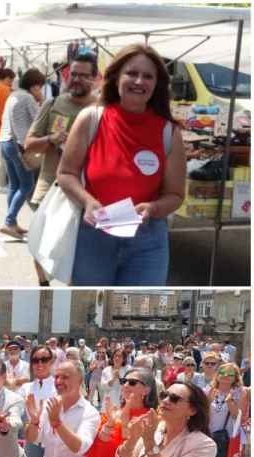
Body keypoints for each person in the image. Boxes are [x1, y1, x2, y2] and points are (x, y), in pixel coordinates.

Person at [58, 44, 185, 285]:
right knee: (91, 313)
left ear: (157, 84)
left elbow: (176, 195)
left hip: (147, 242)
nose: (139, 81)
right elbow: (65, 173)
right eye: (132, 73)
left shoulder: (169, 132)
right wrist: (87, 201)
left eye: (148, 76)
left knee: (140, 316)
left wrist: (153, 208)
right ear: (116, 77)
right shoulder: (91, 118)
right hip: (94, 234)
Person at [24, 52, 99, 284]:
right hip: (49, 185)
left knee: (77, 248)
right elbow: (29, 144)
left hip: (86, 190)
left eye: (84, 76)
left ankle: (72, 294)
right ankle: (43, 285)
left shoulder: (101, 110)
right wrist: (52, 139)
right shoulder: (53, 103)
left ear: (95, 78)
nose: (76, 79)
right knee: (39, 241)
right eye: (73, 74)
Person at [0, 68, 45, 240]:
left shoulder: (14, 95)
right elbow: (39, 120)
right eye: (40, 88)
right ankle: (9, 221)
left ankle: (13, 223)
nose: (40, 91)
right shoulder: (28, 98)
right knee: (27, 185)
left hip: (4, 142)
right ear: (34, 87)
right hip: (17, 144)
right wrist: (41, 102)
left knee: (14, 185)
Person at [201, 362, 242, 457]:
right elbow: (200, 412)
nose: (225, 377)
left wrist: (230, 401)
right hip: (209, 436)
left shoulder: (239, 392)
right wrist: (208, 400)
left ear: (235, 377)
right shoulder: (209, 390)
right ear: (217, 375)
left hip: (228, 439)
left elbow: (238, 416)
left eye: (230, 374)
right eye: (222, 373)